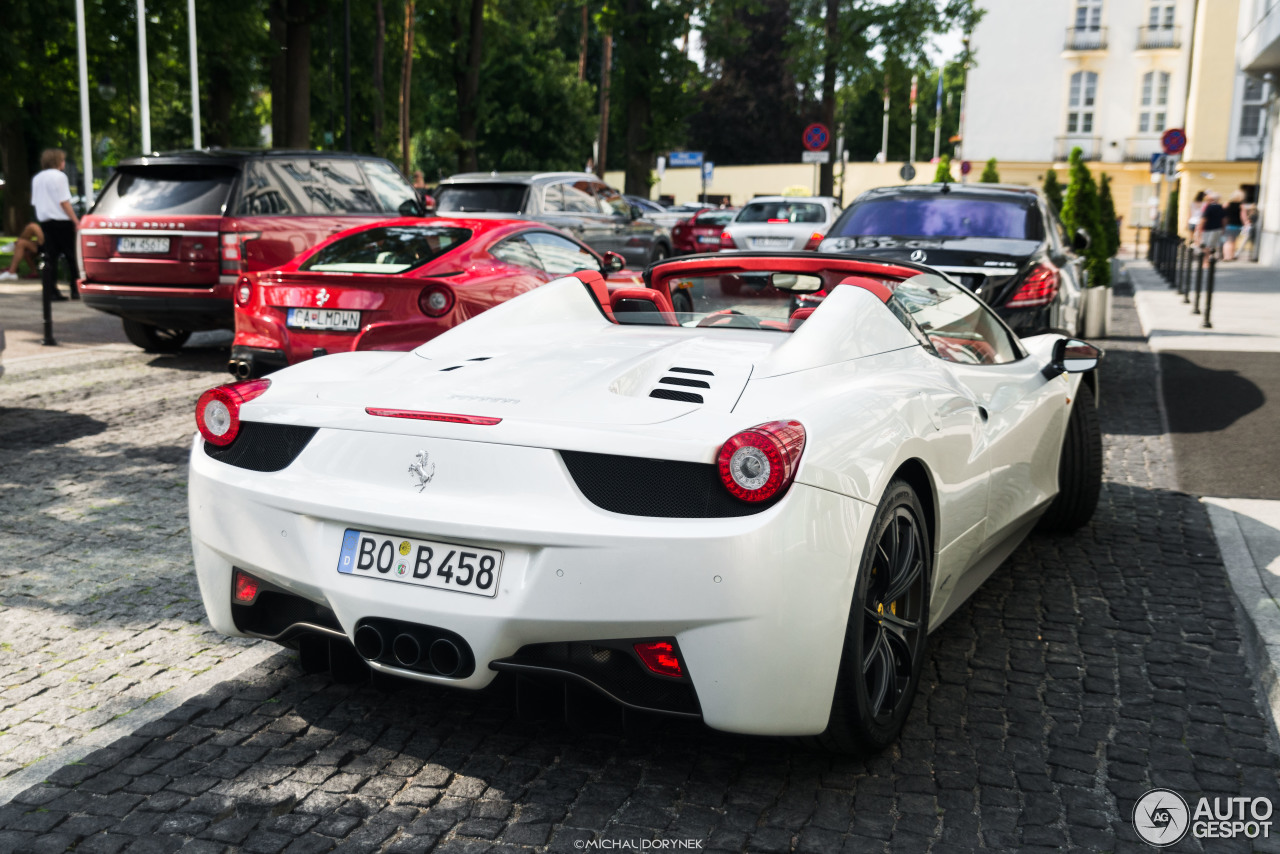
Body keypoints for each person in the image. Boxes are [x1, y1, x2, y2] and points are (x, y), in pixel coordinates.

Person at [31, 148, 80, 301]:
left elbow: (35, 201)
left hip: (45, 222)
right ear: (58, 161)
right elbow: (64, 201)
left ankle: (50, 290)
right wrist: (75, 220)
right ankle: (75, 289)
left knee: (50, 258)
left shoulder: (37, 178)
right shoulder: (60, 177)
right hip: (61, 221)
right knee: (72, 256)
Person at [1196, 191, 1225, 260]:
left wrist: (1199, 227)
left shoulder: (1209, 207)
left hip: (1208, 228)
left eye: (1207, 200)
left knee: (1206, 245)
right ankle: (1211, 258)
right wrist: (1223, 227)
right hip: (1217, 228)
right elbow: (1224, 219)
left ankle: (1206, 260)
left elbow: (1204, 218)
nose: (1206, 201)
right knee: (1213, 245)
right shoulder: (1220, 207)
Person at [1224, 190, 1249, 261]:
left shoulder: (1227, 204)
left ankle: (1227, 256)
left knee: (1228, 241)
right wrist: (1246, 224)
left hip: (1228, 225)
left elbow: (1223, 214)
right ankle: (1231, 256)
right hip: (1237, 225)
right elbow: (1243, 216)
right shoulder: (1241, 206)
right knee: (1233, 241)